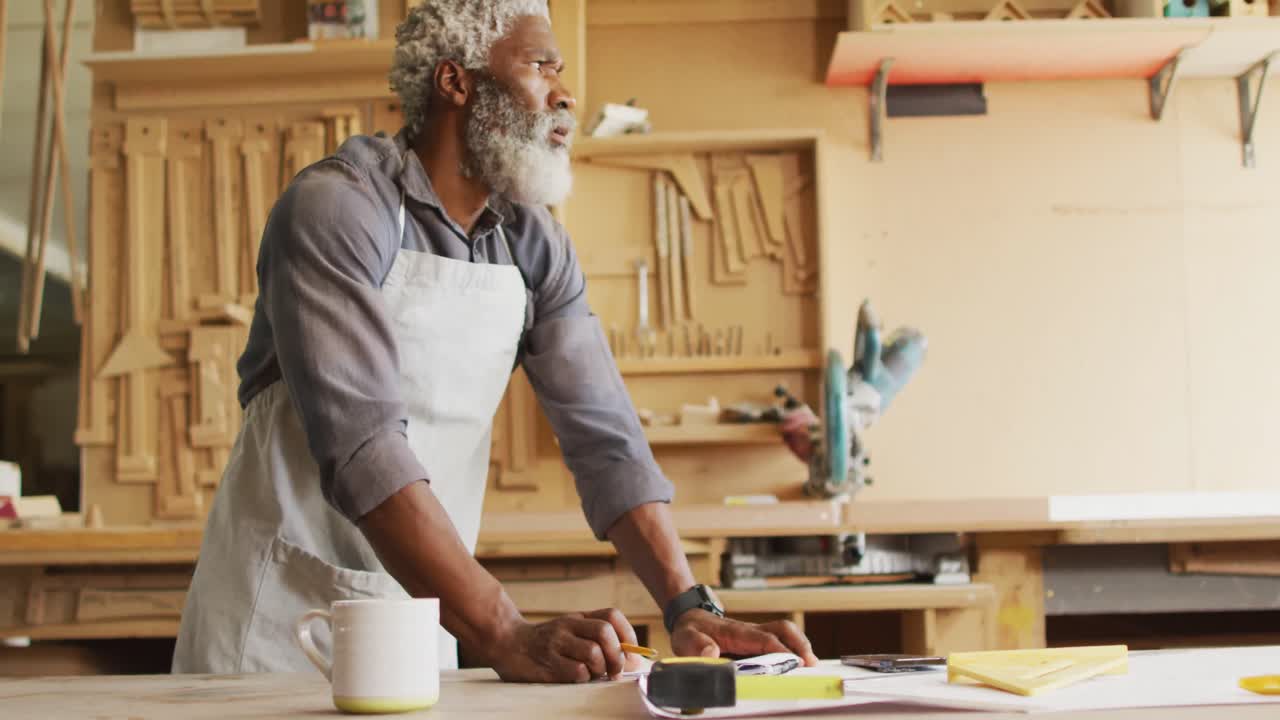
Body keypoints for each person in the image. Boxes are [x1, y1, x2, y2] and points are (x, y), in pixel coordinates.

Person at [172, 0, 817, 682]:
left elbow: (606, 438)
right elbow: (363, 448)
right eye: (541, 67)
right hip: (280, 623)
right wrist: (503, 630)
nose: (566, 94)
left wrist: (690, 605)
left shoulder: (533, 242)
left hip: (427, 611)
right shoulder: (336, 209)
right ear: (457, 83)